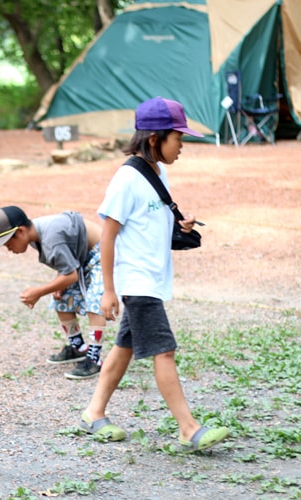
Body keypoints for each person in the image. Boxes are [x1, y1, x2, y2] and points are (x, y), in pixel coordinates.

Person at [80, 96, 229, 451]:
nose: (182, 146)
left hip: (149, 279)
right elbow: (109, 235)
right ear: (154, 139)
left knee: (124, 347)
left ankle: (93, 412)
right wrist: (109, 290)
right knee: (164, 351)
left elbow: (151, 223)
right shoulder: (126, 179)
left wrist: (182, 224)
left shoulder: (157, 174)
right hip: (137, 283)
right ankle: (188, 428)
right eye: (179, 138)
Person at [0, 206, 106, 379]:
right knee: (61, 299)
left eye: (8, 243)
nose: (8, 248)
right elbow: (66, 257)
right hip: (81, 256)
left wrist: (39, 291)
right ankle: (79, 348)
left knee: (94, 301)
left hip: (102, 253)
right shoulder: (35, 236)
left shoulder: (50, 238)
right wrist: (58, 283)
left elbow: (70, 275)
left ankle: (94, 358)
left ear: (20, 231)